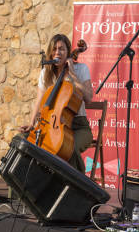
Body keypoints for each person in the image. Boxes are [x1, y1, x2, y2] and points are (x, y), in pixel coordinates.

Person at [19, 34, 93, 173]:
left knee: (70, 148)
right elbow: (39, 102)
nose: (57, 52)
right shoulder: (45, 73)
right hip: (51, 126)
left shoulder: (81, 69)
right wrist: (31, 124)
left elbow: (89, 97)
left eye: (61, 49)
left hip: (78, 127)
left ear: (68, 52)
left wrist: (73, 75)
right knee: (23, 141)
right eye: (54, 49)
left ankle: (77, 187)